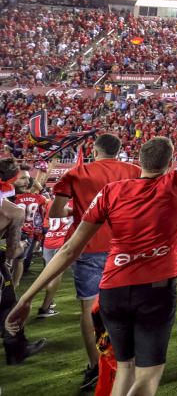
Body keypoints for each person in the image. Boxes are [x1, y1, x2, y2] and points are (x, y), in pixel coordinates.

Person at [6, 98, 177, 396]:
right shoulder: (176, 183)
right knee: (148, 377)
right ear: (170, 165)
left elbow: (69, 250)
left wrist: (26, 298)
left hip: (113, 290)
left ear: (140, 163)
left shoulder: (111, 192)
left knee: (124, 370)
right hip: (155, 290)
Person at [49, 133, 140, 391]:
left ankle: (94, 367)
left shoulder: (77, 173)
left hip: (87, 246)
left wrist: (76, 210)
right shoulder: (134, 170)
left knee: (90, 310)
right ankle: (126, 364)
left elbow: (55, 211)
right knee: (124, 308)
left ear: (94, 149)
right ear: (119, 150)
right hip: (124, 247)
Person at [1, 197, 45, 364]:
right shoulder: (13, 211)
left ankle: (17, 349)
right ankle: (16, 351)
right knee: (9, 306)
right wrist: (23, 244)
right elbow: (12, 252)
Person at [37, 197, 74, 319]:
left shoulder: (53, 202)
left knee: (49, 275)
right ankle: (45, 306)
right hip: (64, 241)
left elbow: (47, 222)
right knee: (56, 276)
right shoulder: (79, 201)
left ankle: (49, 302)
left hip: (49, 240)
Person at [11, 168, 47, 288]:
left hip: (20, 235)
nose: (26, 181)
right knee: (19, 260)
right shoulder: (37, 198)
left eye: (28, 178)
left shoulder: (11, 197)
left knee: (14, 260)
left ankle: (12, 288)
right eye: (22, 178)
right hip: (26, 234)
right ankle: (13, 285)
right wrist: (41, 188)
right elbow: (48, 200)